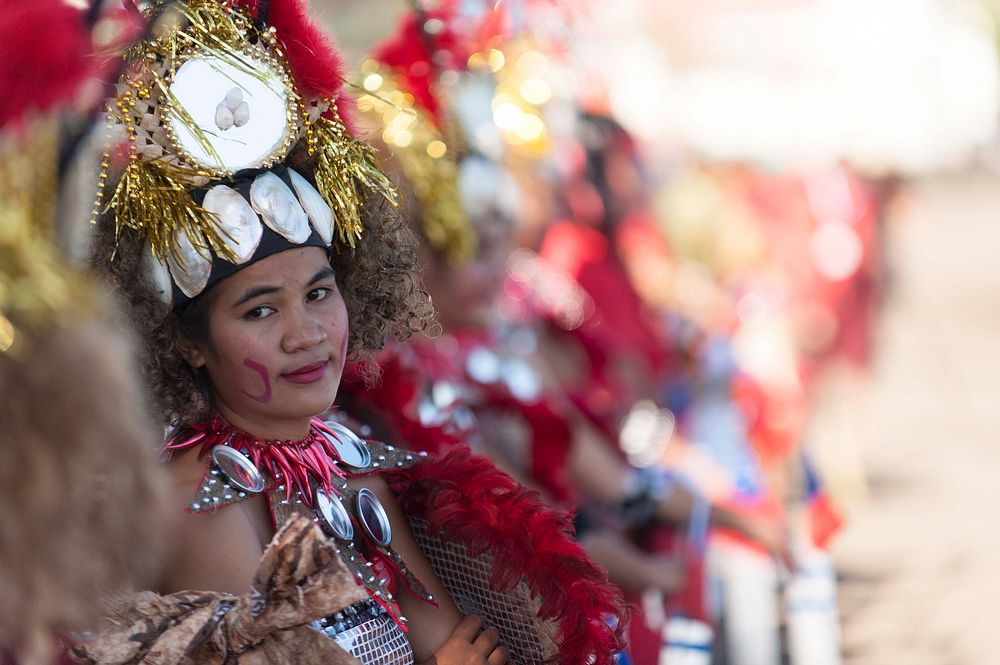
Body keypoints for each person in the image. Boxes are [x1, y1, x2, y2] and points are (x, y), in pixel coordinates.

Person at [83, 1, 622, 663]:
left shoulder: (348, 459)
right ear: (188, 341)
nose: (305, 333)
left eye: (317, 293)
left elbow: (457, 643)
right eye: (259, 311)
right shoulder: (204, 501)